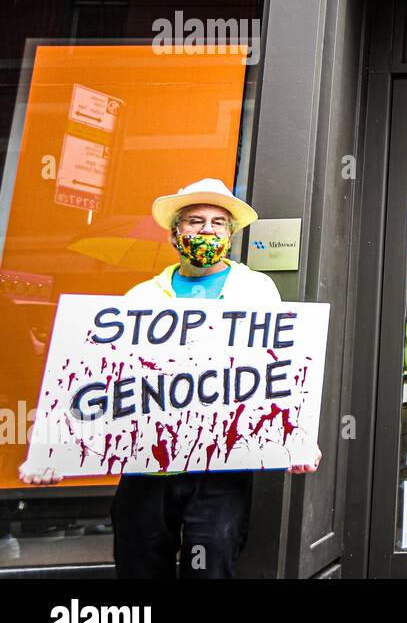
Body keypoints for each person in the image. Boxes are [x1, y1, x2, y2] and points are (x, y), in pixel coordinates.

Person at [19, 178, 322, 578]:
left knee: (211, 566)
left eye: (217, 222)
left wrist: (295, 438)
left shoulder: (255, 289)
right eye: (195, 221)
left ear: (230, 234)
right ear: (175, 232)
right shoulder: (141, 297)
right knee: (139, 564)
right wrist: (51, 450)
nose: (207, 230)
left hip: (221, 466)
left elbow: (275, 368)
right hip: (145, 466)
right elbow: (100, 376)